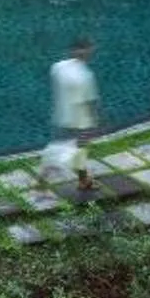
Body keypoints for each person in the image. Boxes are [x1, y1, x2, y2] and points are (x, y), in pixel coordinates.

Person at [40, 36, 101, 197]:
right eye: (88, 49)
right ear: (88, 51)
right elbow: (90, 103)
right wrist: (96, 121)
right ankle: (47, 173)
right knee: (78, 151)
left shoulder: (58, 67)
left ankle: (84, 180)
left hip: (61, 118)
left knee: (67, 147)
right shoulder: (86, 75)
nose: (88, 52)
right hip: (81, 121)